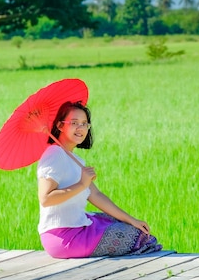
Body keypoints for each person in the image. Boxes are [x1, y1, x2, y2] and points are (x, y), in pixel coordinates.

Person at [37, 101, 163, 258]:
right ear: (60, 126)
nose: (80, 128)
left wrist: (132, 219)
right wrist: (82, 183)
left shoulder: (75, 160)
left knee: (129, 226)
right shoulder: (54, 155)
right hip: (63, 237)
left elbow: (96, 195)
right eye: (74, 123)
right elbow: (45, 198)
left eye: (84, 124)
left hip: (78, 227)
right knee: (140, 239)